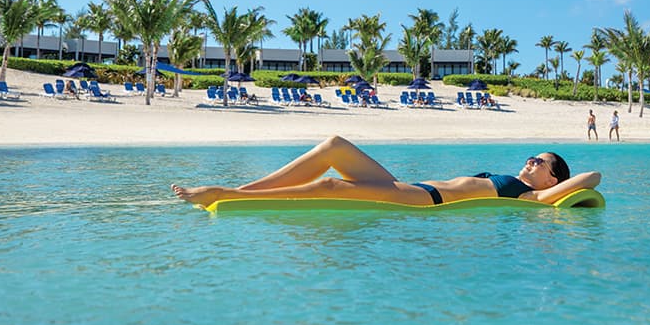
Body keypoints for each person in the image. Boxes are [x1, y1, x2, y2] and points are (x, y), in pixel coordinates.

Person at [171, 135, 601, 207]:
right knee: (335, 147)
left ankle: (223, 195)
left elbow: (592, 177)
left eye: (539, 161)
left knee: (331, 186)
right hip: (406, 185)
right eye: (531, 156)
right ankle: (239, 187)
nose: (530, 161)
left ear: (552, 179)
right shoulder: (523, 182)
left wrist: (560, 188)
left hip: (425, 201)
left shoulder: (529, 197)